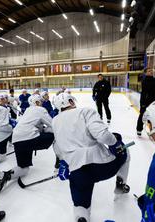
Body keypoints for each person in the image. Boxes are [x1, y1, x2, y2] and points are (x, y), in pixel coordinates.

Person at [52, 93, 130, 222]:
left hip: (76, 170)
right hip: (102, 165)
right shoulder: (85, 111)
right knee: (125, 152)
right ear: (71, 102)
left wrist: (64, 162)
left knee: (81, 206)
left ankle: (82, 218)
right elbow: (103, 135)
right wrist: (115, 143)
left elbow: (57, 146)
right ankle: (121, 186)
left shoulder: (55, 121)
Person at [0, 94, 54, 193]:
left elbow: (37, 127)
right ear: (36, 102)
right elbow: (53, 125)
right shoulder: (40, 110)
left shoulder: (28, 111)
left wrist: (43, 129)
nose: (42, 103)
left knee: (24, 169)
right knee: (54, 134)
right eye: (41, 101)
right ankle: (60, 161)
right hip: (29, 138)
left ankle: (6, 175)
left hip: (17, 140)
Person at [136, 68, 155, 136]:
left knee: (153, 116)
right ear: (145, 73)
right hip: (145, 100)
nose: (151, 72)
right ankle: (139, 129)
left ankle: (153, 130)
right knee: (142, 115)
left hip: (154, 101)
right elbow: (150, 87)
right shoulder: (144, 81)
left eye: (151, 71)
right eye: (149, 71)